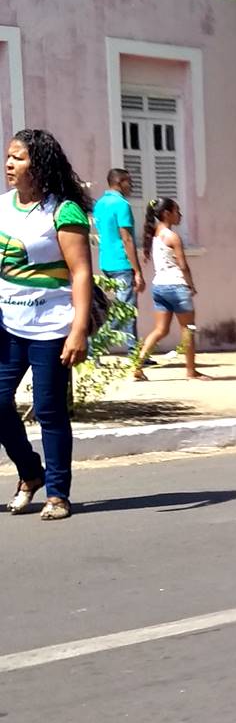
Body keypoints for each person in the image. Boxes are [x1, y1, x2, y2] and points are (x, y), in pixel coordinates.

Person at [0, 128, 93, 520]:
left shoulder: (62, 210)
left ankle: (58, 494)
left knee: (49, 410)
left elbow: (81, 272)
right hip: (7, 325)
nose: (9, 164)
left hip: (51, 327)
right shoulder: (2, 206)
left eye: (18, 158)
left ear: (38, 164)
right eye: (8, 156)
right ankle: (30, 472)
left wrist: (78, 330)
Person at [91, 166, 146, 377]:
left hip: (106, 261)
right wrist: (137, 270)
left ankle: (134, 352)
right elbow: (127, 238)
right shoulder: (121, 204)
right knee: (125, 312)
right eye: (128, 182)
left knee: (125, 310)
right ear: (119, 182)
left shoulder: (100, 204)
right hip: (121, 263)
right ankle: (95, 348)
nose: (131, 185)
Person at [139, 197, 201, 376]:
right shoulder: (173, 237)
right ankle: (191, 371)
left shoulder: (154, 235)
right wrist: (191, 285)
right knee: (188, 329)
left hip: (159, 287)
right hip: (177, 286)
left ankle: (137, 364)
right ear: (166, 214)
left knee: (160, 330)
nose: (180, 215)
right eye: (177, 211)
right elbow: (183, 265)